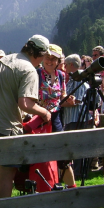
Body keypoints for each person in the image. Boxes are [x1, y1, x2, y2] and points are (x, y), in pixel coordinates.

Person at [0, 35, 51, 201]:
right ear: (39, 54)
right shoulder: (29, 70)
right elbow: (25, 103)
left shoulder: (7, 59)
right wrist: (45, 113)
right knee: (6, 174)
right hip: (5, 127)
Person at [37, 44, 77, 189]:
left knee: (63, 156)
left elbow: (62, 98)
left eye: (54, 58)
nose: (50, 60)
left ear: (59, 61)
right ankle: (43, 188)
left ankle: (72, 191)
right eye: (48, 57)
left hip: (56, 119)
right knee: (41, 157)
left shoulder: (60, 76)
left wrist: (68, 100)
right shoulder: (36, 74)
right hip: (38, 121)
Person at [61, 54, 92, 177]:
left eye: (66, 64)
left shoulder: (79, 80)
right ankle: (75, 173)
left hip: (77, 118)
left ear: (71, 65)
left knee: (78, 148)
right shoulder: (73, 79)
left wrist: (59, 104)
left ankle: (80, 173)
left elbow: (77, 101)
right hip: (71, 119)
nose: (64, 67)